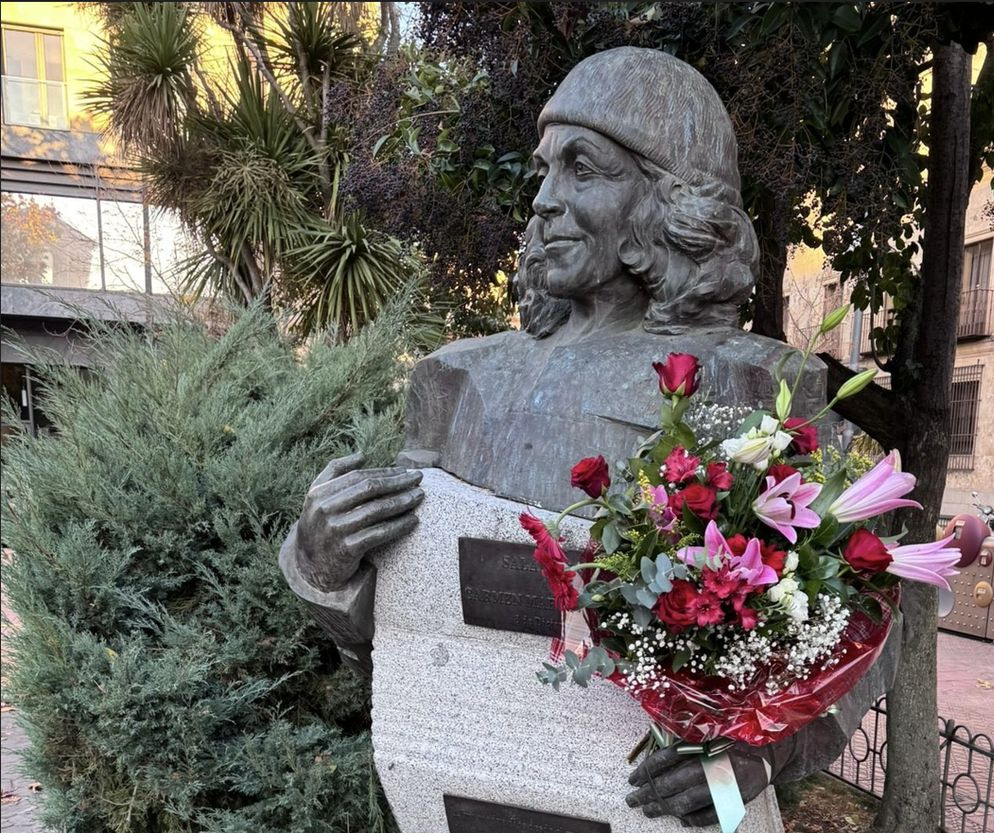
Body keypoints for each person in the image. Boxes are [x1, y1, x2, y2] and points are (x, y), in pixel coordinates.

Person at [279, 46, 895, 827]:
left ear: (667, 202)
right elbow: (409, 623)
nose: (542, 200)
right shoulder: (457, 379)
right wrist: (322, 564)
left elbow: (869, 610)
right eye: (545, 171)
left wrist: (759, 757)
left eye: (582, 168)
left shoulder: (760, 383)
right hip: (481, 786)